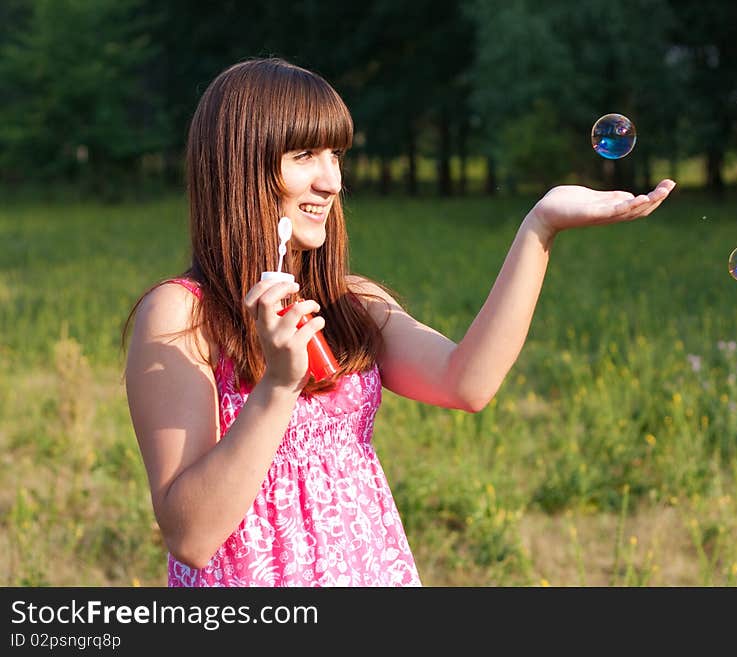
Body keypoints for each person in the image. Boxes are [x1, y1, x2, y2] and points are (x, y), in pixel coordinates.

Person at [123, 56, 676, 587]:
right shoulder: (180, 315)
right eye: (304, 155)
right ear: (239, 166)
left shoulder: (349, 303)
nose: (331, 181)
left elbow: (467, 381)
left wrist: (540, 227)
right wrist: (279, 384)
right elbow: (191, 536)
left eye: (335, 155)